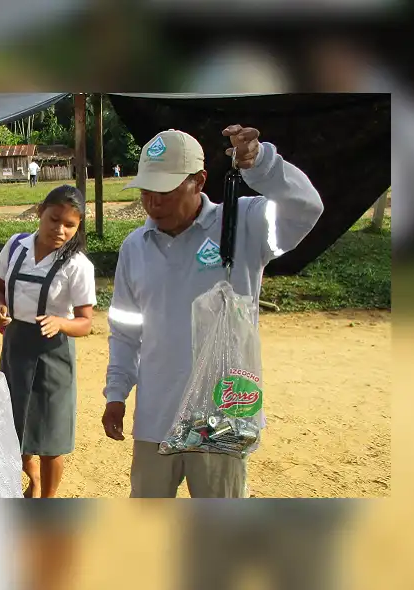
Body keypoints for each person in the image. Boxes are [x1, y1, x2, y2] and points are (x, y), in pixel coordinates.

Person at [101, 126, 323, 498]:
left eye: (166, 190)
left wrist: (263, 165)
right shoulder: (134, 248)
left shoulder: (244, 222)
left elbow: (305, 208)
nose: (154, 203)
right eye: (146, 191)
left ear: (199, 180)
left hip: (223, 415)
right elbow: (125, 331)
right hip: (156, 418)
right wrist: (116, 393)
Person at [0, 185, 97, 498]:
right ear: (40, 212)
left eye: (70, 225)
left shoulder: (78, 265)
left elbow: (86, 322)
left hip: (54, 355)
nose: (60, 230)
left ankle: (47, 501)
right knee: (14, 432)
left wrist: (61, 323)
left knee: (51, 440)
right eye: (54, 219)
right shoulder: (16, 246)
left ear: (78, 226)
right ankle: (33, 480)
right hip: (16, 349)